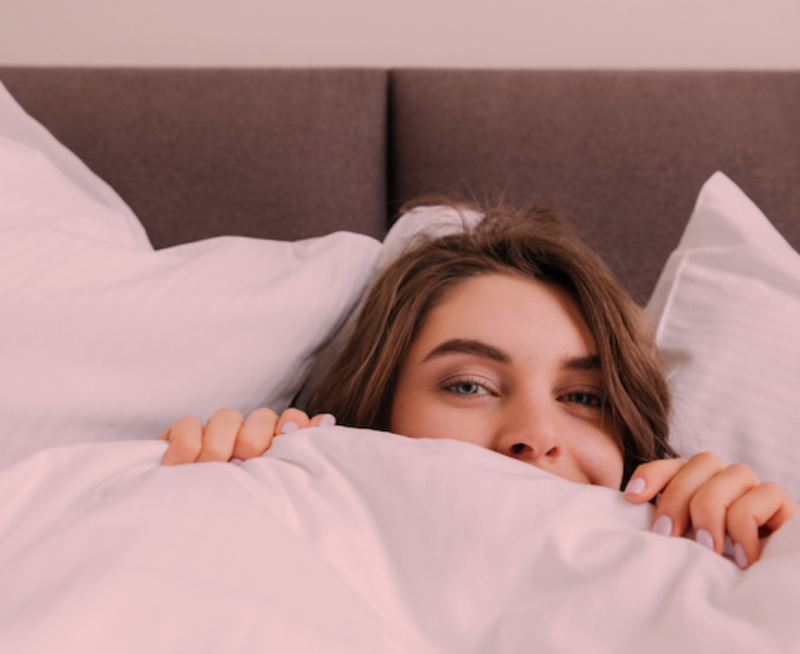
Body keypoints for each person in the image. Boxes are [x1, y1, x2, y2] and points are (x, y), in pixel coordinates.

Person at [158, 198, 799, 570]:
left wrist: (772, 564)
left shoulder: (700, 558)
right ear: (371, 418)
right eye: (469, 386)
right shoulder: (287, 521)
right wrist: (215, 496)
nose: (537, 437)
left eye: (583, 398)